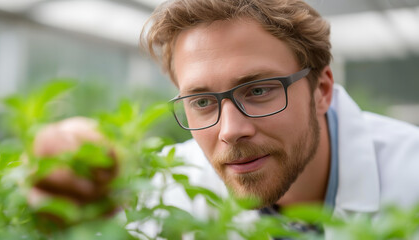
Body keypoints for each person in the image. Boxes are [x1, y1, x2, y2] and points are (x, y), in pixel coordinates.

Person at [141, 0, 419, 219]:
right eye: (202, 102)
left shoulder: (410, 174)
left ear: (321, 90)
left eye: (258, 91)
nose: (231, 131)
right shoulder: (168, 184)